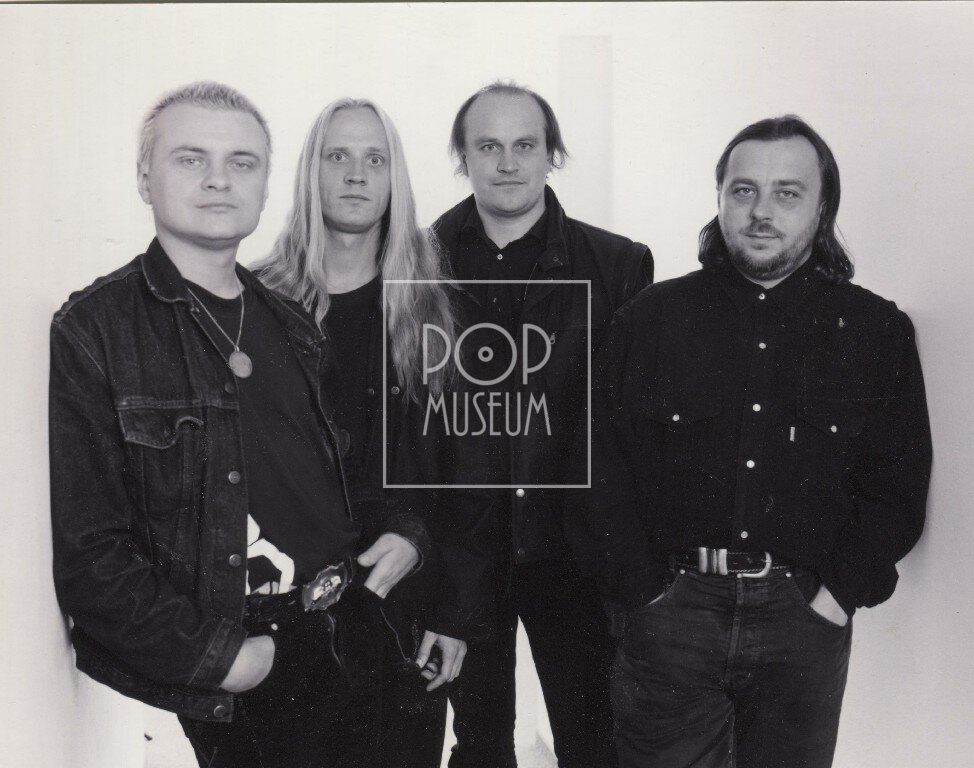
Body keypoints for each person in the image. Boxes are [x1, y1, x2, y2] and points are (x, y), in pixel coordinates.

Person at [48, 82, 429, 768]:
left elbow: (337, 479)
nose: (219, 179)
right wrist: (228, 660)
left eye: (242, 162)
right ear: (145, 177)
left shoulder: (289, 320)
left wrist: (405, 530)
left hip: (353, 629)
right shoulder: (97, 330)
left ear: (265, 185)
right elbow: (91, 555)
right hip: (254, 663)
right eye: (191, 158)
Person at [569, 115, 932, 768]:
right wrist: (642, 593)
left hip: (804, 622)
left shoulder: (875, 331)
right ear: (720, 198)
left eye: (787, 192)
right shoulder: (649, 320)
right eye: (744, 190)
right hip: (670, 617)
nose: (762, 211)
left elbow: (897, 486)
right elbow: (597, 466)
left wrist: (835, 598)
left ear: (823, 208)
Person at [254, 97, 490, 768]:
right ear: (311, 172)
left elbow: (471, 481)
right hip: (283, 612)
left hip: (401, 616)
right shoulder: (255, 302)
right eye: (338, 156)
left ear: (394, 178)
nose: (356, 174)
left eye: (375, 159)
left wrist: (452, 616)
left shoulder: (440, 310)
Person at [431, 81, 653, 768]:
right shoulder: (414, 260)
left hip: (573, 552)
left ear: (552, 153)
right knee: (478, 746)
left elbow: (633, 430)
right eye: (488, 146)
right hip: (458, 552)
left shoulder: (618, 265)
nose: (507, 163)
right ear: (463, 157)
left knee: (596, 745)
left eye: (525, 145)